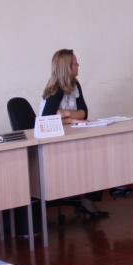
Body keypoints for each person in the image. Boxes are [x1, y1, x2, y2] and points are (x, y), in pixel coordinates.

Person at [41, 50, 108, 219]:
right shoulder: (56, 89)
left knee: (96, 152)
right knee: (87, 156)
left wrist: (64, 114)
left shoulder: (75, 84)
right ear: (67, 68)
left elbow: (84, 113)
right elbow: (47, 120)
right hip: (52, 143)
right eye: (75, 63)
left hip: (71, 135)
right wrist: (70, 118)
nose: (78, 66)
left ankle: (88, 199)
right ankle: (85, 199)